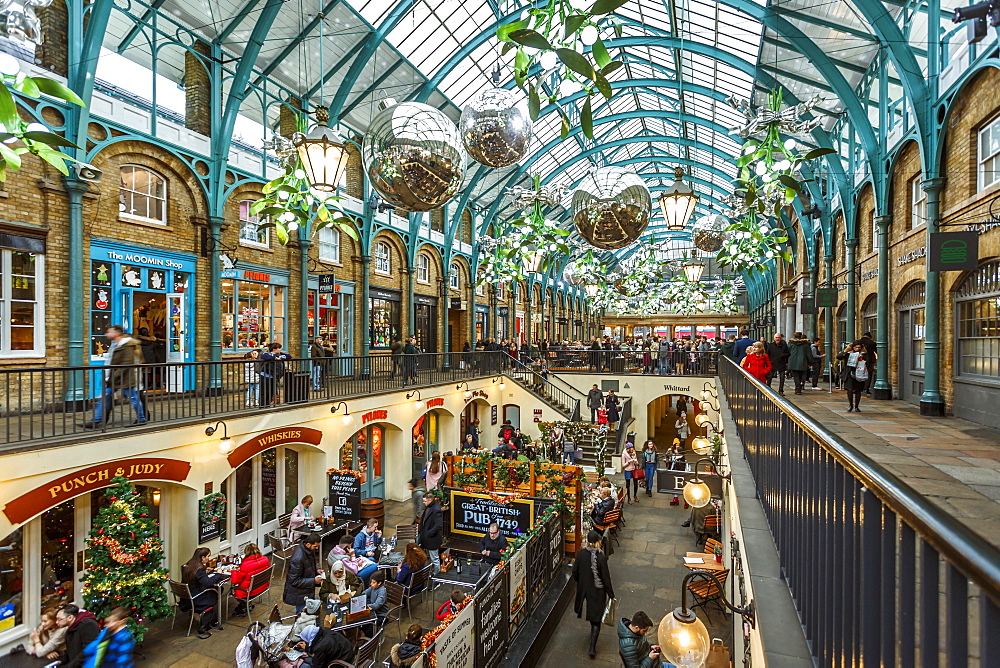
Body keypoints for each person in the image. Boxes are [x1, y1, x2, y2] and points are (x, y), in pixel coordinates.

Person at [81, 325, 147, 428]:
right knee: (105, 397)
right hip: (115, 378)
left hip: (125, 378)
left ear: (117, 333)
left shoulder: (127, 345)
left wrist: (112, 377)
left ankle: (141, 419)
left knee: (134, 398)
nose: (106, 334)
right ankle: (96, 420)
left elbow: (126, 363)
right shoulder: (116, 345)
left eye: (109, 332)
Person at [573, 530, 615, 659]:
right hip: (598, 591)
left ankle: (592, 641)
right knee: (596, 620)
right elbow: (606, 577)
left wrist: (581, 582)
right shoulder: (601, 556)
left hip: (585, 589)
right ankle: (592, 647)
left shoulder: (580, 554)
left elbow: (575, 572)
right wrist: (611, 594)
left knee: (591, 615)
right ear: (597, 542)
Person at [180, 547, 225, 638]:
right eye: (208, 556)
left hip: (186, 596)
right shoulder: (199, 569)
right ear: (202, 557)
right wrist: (218, 573)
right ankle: (205, 625)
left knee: (214, 590)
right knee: (217, 591)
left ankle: (211, 619)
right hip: (197, 598)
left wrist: (205, 571)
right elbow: (207, 582)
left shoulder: (187, 565)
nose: (208, 558)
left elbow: (197, 578)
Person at [283, 532, 324, 614]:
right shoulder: (298, 559)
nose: (316, 549)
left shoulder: (308, 550)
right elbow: (294, 581)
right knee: (301, 614)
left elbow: (309, 564)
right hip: (299, 593)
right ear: (308, 544)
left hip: (305, 591)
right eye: (315, 546)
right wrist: (313, 581)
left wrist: (316, 570)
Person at [230, 543, 271, 616]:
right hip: (262, 586)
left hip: (249, 591)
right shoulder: (265, 559)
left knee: (233, 591)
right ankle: (247, 605)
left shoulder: (245, 565)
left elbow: (235, 581)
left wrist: (234, 571)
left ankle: (244, 605)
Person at [838, 341, 874, 412]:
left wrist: (862, 358)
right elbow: (839, 357)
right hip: (849, 374)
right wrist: (846, 352)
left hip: (859, 373)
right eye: (856, 347)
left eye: (859, 348)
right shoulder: (848, 353)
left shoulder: (863, 354)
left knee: (858, 391)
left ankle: (857, 406)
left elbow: (869, 360)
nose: (857, 349)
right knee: (850, 389)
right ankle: (850, 405)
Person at [417, 491, 443, 572]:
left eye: (425, 501)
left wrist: (429, 533)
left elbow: (438, 525)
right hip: (426, 538)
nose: (423, 503)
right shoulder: (429, 507)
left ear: (430, 500)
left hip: (432, 539)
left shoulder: (436, 510)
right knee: (429, 557)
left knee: (435, 559)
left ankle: (436, 577)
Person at [259, 342, 290, 407]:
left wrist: (280, 357)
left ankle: (268, 405)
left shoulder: (279, 354)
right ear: (274, 349)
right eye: (279, 348)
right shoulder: (266, 354)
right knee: (264, 392)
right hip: (265, 376)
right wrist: (275, 358)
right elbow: (267, 357)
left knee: (271, 392)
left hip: (274, 376)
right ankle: (263, 406)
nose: (280, 350)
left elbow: (289, 356)